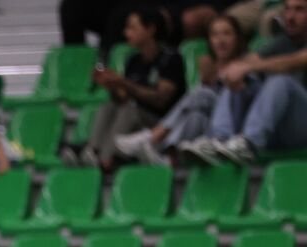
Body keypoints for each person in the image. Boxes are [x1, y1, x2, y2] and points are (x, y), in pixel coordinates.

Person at [179, 0, 307, 164]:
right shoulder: (283, 42)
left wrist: (246, 68)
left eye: (299, 10)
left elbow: (291, 62)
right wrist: (226, 70)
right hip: (278, 130)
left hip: (302, 126)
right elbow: (245, 63)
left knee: (280, 82)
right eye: (288, 10)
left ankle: (249, 143)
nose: (290, 16)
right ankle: (219, 140)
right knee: (238, 79)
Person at [115, 14, 247, 165]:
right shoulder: (211, 67)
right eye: (215, 34)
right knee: (196, 114)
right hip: (206, 128)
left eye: (227, 33)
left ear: (237, 38)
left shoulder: (246, 63)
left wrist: (211, 84)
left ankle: (153, 136)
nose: (220, 40)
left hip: (233, 126)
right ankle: (170, 158)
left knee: (201, 93)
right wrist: (206, 81)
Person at [76, 7, 186, 170]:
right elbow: (123, 98)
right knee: (109, 106)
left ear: (150, 29)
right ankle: (92, 152)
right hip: (136, 121)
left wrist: (123, 82)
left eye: (132, 28)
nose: (126, 32)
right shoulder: (133, 60)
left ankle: (107, 160)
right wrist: (112, 85)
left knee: (130, 110)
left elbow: (161, 99)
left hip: (160, 125)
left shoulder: (171, 59)